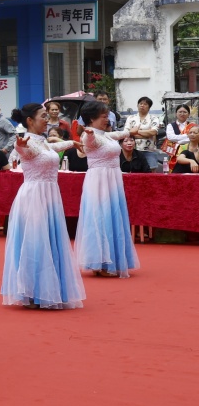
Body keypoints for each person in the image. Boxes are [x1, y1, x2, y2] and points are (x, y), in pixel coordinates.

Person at [1, 105, 86, 309]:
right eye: (43, 116)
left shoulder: (43, 142)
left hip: (49, 196)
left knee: (48, 241)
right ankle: (31, 291)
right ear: (30, 120)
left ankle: (49, 288)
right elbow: (24, 149)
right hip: (34, 197)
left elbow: (50, 149)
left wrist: (72, 143)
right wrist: (20, 145)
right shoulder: (26, 142)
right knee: (35, 242)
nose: (47, 119)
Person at [74, 100, 138, 278]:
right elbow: (90, 140)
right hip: (99, 181)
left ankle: (111, 260)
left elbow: (117, 134)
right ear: (91, 119)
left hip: (112, 179)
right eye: (104, 116)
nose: (107, 119)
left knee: (112, 217)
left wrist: (130, 132)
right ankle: (100, 263)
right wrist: (89, 133)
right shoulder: (90, 135)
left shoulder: (105, 134)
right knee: (100, 218)